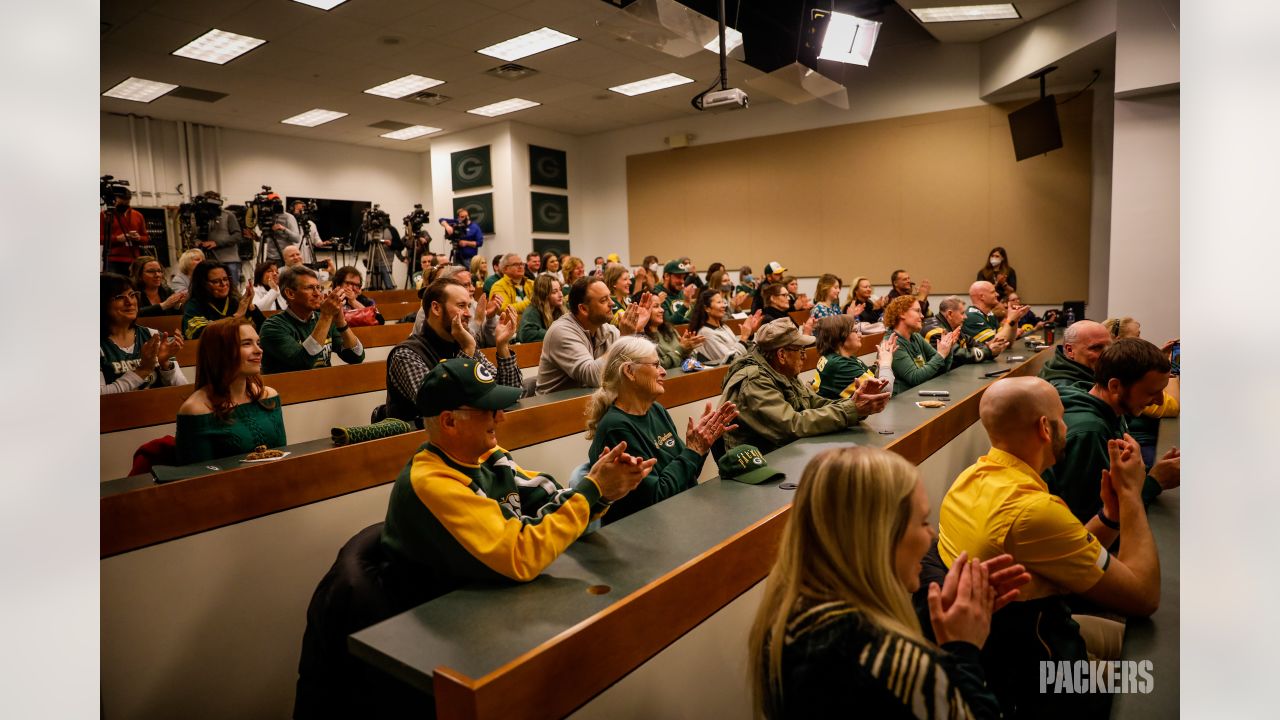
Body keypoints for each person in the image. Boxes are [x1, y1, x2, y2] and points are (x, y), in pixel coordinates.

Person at [934, 376, 1162, 717]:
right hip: (1046, 672)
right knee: (1159, 677)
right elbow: (1143, 597)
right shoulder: (1033, 511)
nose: (1068, 427)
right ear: (1045, 427)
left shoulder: (971, 480)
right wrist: (1131, 494)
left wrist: (1111, 515)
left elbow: (1066, 553)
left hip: (1021, 643)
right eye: (1062, 417)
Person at [750, 446, 1022, 719]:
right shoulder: (894, 662)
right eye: (922, 522)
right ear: (880, 538)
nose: (930, 536)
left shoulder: (784, 621)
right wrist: (963, 649)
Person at [380, 357, 656, 586]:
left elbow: (552, 502)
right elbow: (520, 554)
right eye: (488, 409)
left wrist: (604, 491)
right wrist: (593, 487)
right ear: (450, 421)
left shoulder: (489, 456)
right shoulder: (431, 482)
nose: (501, 416)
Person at [584, 337, 739, 525]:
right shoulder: (616, 427)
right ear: (629, 372)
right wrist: (693, 451)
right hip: (648, 530)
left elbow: (686, 477)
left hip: (678, 516)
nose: (664, 371)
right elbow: (656, 498)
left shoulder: (656, 410)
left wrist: (702, 445)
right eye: (656, 365)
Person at [1041, 338, 1180, 522]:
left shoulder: (1109, 405)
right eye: (1151, 393)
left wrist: (1146, 472)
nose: (1159, 401)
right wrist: (1155, 482)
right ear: (1115, 386)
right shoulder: (1090, 432)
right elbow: (1093, 517)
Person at [720, 318, 890, 454]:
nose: (804, 356)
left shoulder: (779, 371)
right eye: (800, 350)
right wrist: (851, 409)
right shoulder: (755, 381)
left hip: (783, 452)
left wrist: (855, 405)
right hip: (758, 465)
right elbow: (792, 425)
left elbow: (813, 402)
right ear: (781, 355)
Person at [385, 278, 521, 426]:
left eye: (469, 306)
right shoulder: (406, 354)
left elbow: (509, 393)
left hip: (465, 433)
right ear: (436, 308)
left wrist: (502, 347)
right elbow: (437, 405)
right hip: (420, 441)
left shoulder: (461, 343)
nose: (469, 314)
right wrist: (467, 351)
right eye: (461, 306)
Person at [176, 318, 285, 465]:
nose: (259, 350)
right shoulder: (195, 410)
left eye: (258, 343)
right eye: (247, 343)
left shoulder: (268, 395)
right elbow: (197, 479)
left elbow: (282, 455)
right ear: (220, 351)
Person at [536, 277, 652, 394]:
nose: (612, 303)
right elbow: (592, 377)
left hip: (590, 402)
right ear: (583, 309)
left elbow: (640, 363)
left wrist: (638, 330)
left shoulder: (606, 329)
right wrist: (624, 338)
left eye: (610, 297)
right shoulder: (560, 332)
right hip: (554, 407)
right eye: (603, 300)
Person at [259, 265, 366, 374]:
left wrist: (341, 323)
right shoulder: (273, 327)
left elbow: (357, 356)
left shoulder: (323, 319)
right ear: (290, 293)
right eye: (309, 288)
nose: (317, 294)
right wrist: (326, 316)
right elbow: (303, 362)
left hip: (324, 386)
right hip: (291, 389)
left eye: (319, 288)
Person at [100, 272, 188, 394]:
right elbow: (99, 397)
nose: (130, 302)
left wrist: (165, 363)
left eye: (132, 295)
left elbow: (182, 388)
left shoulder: (154, 336)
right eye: (120, 297)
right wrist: (142, 370)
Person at [884, 296, 958, 395]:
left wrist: (947, 350)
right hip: (903, 400)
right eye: (917, 311)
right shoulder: (892, 343)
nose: (922, 316)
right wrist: (941, 354)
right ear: (902, 313)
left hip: (920, 392)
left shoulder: (916, 337)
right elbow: (915, 378)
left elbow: (942, 368)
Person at [811, 315, 896, 400]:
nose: (860, 335)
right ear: (840, 336)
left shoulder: (839, 357)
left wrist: (880, 365)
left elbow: (871, 378)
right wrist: (886, 363)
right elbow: (885, 392)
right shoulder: (839, 364)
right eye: (855, 331)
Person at [182, 260, 265, 340]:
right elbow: (201, 335)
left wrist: (251, 307)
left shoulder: (235, 301)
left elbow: (264, 330)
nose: (223, 284)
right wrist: (236, 316)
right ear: (202, 284)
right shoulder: (193, 306)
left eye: (225, 279)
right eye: (216, 281)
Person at [922, 296, 1009, 365]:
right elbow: (957, 355)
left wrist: (990, 347)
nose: (965, 317)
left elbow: (973, 343)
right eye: (962, 313)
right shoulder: (935, 331)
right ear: (950, 314)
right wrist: (988, 351)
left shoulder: (953, 328)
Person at [688, 289, 763, 365]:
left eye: (723, 302)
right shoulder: (705, 332)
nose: (724, 305)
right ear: (707, 308)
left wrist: (749, 335)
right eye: (719, 302)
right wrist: (743, 338)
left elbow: (742, 352)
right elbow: (730, 361)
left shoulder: (724, 327)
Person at [1038, 319, 1112, 391]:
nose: (1108, 353)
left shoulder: (1058, 365)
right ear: (1070, 350)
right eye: (1097, 348)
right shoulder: (1067, 390)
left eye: (1110, 347)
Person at [195, 191, 246, 289]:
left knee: (232, 289)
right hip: (211, 261)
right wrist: (198, 242)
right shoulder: (202, 217)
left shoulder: (228, 215)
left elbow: (237, 235)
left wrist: (217, 243)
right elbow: (197, 235)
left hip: (229, 260)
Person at [101, 185, 150, 274]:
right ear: (114, 199)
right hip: (113, 261)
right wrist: (116, 239)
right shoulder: (104, 215)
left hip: (134, 260)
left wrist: (139, 238)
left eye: (127, 200)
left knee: (133, 286)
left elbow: (146, 238)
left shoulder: (138, 215)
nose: (125, 203)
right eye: (122, 200)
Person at [963, 281, 1026, 349]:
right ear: (982, 297)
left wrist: (1015, 320)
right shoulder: (972, 316)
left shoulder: (990, 314)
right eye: (993, 292)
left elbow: (1007, 342)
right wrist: (1010, 320)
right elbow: (995, 344)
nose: (997, 294)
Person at [641, 303, 703, 369]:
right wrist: (681, 349)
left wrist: (688, 350)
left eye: (661, 306)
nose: (662, 310)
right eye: (656, 306)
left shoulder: (669, 329)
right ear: (642, 310)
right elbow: (659, 366)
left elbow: (691, 360)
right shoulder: (641, 338)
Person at [518, 275, 564, 343]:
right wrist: (558, 334)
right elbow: (527, 334)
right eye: (554, 292)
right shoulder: (532, 311)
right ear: (543, 294)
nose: (561, 295)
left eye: (560, 290)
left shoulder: (559, 309)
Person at [659, 259, 697, 324]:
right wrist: (686, 304)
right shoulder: (658, 295)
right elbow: (668, 323)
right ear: (666, 276)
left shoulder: (682, 293)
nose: (682, 281)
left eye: (683, 278)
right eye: (678, 277)